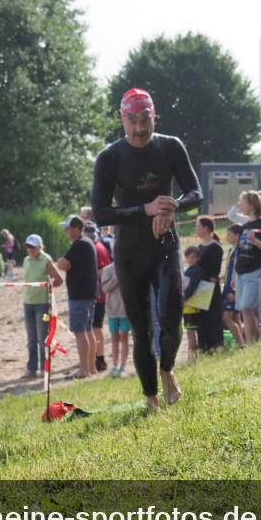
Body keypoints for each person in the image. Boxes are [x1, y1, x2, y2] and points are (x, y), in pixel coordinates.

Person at [91, 89, 202, 409]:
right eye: (133, 121)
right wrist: (146, 210)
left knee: (171, 315)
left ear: (155, 116)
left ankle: (167, 369)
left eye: (145, 120)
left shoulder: (170, 146)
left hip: (165, 241)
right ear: (121, 118)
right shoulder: (109, 157)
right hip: (128, 247)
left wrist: (171, 208)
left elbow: (195, 192)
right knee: (142, 328)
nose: (139, 129)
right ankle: (151, 397)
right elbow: (101, 212)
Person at [56, 215, 98, 378]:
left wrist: (60, 260)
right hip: (88, 293)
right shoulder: (87, 243)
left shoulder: (79, 245)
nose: (66, 232)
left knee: (80, 333)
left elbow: (63, 264)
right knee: (88, 331)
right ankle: (91, 367)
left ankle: (84, 370)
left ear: (75, 229)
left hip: (80, 295)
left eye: (67, 229)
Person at [234, 190, 261, 345]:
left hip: (256, 272)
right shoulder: (244, 226)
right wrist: (233, 276)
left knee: (247, 308)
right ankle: (252, 343)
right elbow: (238, 252)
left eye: (242, 203)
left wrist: (257, 242)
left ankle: (252, 343)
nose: (240, 205)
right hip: (240, 273)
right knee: (245, 310)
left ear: (252, 206)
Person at [21, 234, 64, 379]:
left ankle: (44, 367)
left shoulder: (46, 259)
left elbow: (58, 279)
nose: (30, 249)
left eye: (33, 247)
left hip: (42, 304)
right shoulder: (26, 260)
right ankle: (31, 368)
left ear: (40, 247)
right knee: (31, 338)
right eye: (28, 247)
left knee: (43, 337)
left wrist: (48, 289)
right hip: (28, 303)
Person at [193, 217, 224, 352]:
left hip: (209, 287)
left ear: (206, 228)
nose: (196, 229)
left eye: (198, 226)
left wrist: (208, 290)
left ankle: (214, 346)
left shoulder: (215, 247)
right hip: (199, 286)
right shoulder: (200, 247)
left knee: (212, 317)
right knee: (201, 319)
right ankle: (203, 346)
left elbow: (214, 272)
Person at [84, 222, 111, 373]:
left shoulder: (96, 248)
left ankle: (99, 358)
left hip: (98, 295)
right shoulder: (98, 246)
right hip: (99, 293)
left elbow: (102, 271)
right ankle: (97, 357)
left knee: (95, 328)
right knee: (95, 328)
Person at [100, 259, 131, 377]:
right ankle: (114, 365)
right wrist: (117, 278)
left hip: (125, 310)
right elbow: (105, 288)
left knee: (124, 337)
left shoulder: (129, 267)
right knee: (114, 337)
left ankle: (122, 366)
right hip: (112, 309)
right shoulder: (108, 270)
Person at [221, 224, 245, 347]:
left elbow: (236, 271)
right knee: (236, 318)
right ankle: (241, 342)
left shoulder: (239, 251)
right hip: (227, 287)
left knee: (226, 317)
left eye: (229, 234)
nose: (227, 237)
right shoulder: (232, 250)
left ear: (237, 236)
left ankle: (241, 344)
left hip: (233, 289)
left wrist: (232, 290)